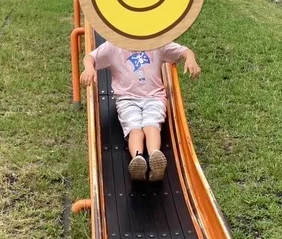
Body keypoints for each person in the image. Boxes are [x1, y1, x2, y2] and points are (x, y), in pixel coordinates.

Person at [80, 42, 201, 181]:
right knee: (136, 128)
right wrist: (89, 68)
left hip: (154, 98)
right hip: (127, 99)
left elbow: (184, 51)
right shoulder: (113, 46)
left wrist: (190, 59)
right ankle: (139, 160)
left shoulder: (156, 43)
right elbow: (90, 57)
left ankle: (154, 156)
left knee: (150, 125)